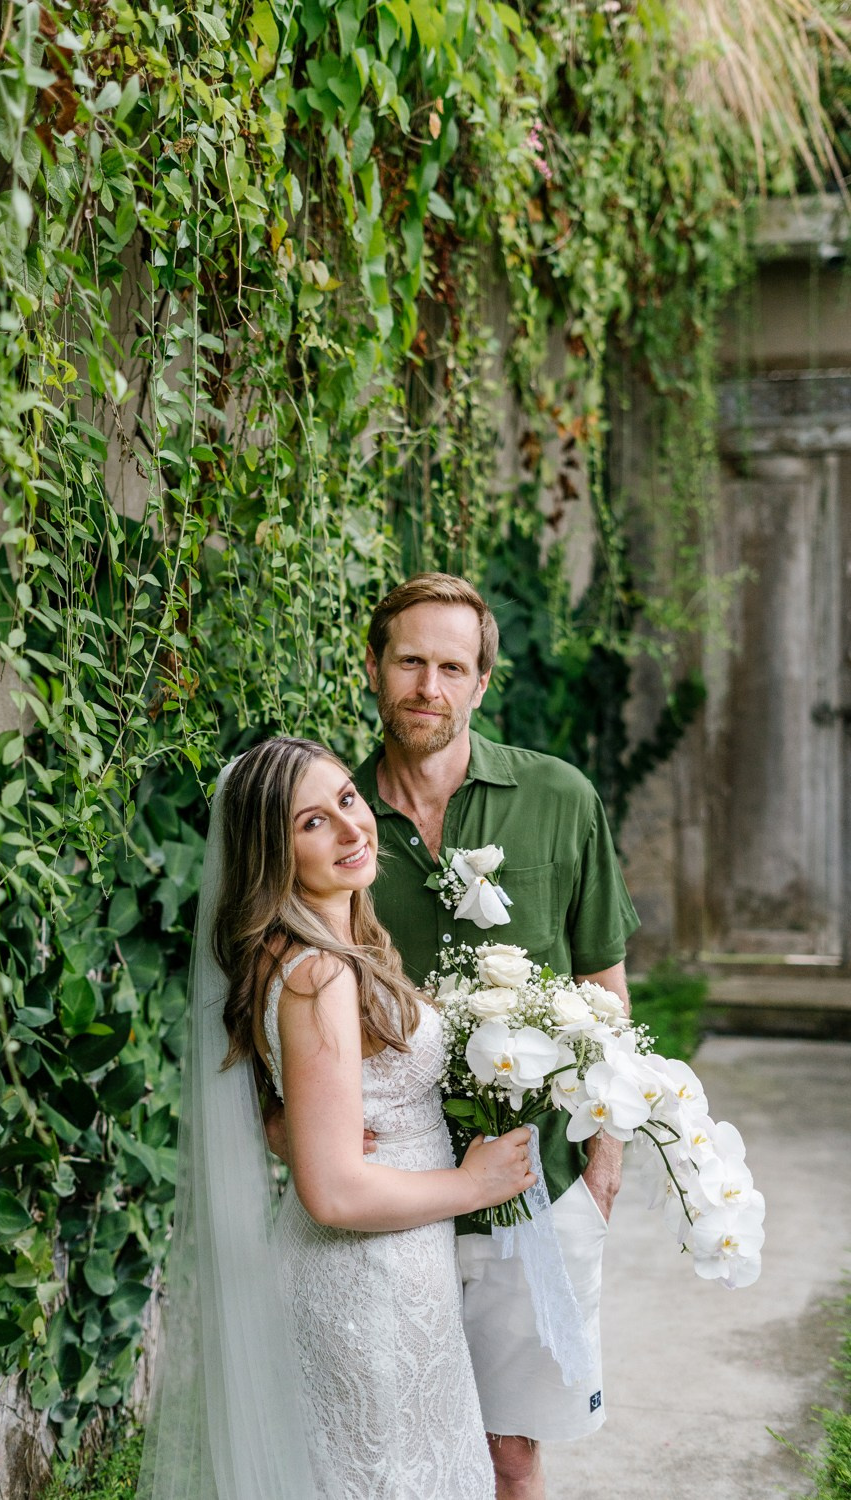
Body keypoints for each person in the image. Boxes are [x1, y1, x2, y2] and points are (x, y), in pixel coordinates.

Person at [138, 735, 536, 1500]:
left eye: (348, 799)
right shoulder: (318, 972)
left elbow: (302, 1103)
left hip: (392, 1265)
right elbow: (337, 1194)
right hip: (366, 1278)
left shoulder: (325, 947)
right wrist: (474, 1182)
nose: (353, 829)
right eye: (312, 822)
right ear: (271, 853)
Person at [353, 572, 640, 1500]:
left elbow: (603, 983)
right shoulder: (332, 823)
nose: (427, 686)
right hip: (391, 1190)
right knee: (391, 1451)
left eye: (451, 666)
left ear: (482, 682)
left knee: (509, 1455)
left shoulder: (558, 797)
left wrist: (604, 1160)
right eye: (409, 662)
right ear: (373, 668)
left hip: (535, 1182)